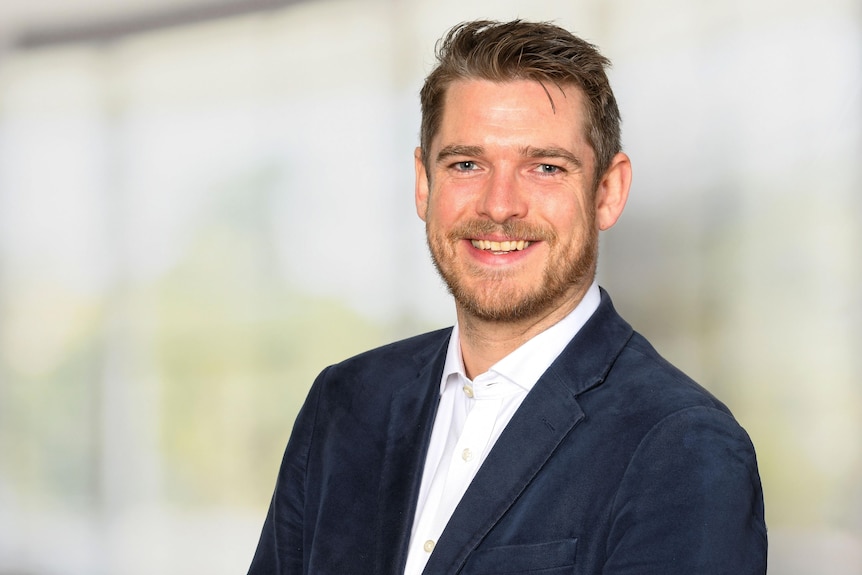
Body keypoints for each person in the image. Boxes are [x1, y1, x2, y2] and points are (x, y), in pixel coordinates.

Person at [248, 19, 767, 575]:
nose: (499, 205)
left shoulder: (685, 449)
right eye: (466, 164)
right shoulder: (345, 403)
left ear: (607, 192)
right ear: (424, 184)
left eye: (544, 167)